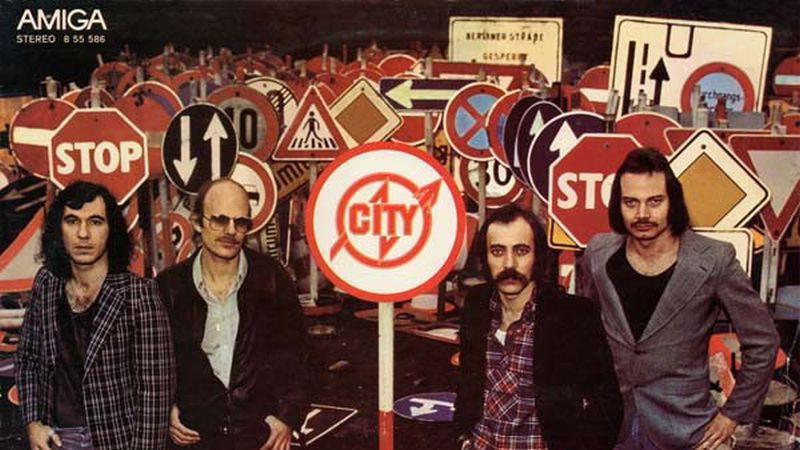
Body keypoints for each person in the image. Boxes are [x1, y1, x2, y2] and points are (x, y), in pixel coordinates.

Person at [578, 148, 779, 450]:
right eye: (631, 202)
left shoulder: (714, 260)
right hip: (610, 427)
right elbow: (586, 334)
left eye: (654, 201)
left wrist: (733, 414)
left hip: (685, 430)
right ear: (618, 204)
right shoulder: (598, 253)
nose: (642, 214)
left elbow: (763, 342)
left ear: (673, 201)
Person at [17, 181, 174, 450]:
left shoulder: (138, 294)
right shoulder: (47, 282)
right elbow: (28, 358)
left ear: (111, 230)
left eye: (95, 222)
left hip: (117, 442)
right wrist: (33, 422)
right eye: (72, 221)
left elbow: (155, 394)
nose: (83, 233)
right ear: (58, 229)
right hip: (56, 439)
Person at [157, 178, 310, 450]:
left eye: (240, 222)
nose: (231, 231)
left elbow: (299, 356)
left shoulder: (272, 278)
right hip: (194, 437)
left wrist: (287, 417)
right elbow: (151, 360)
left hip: (258, 435)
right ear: (197, 222)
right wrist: (165, 409)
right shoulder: (169, 287)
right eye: (219, 220)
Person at [454, 204, 623, 450]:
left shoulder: (572, 314)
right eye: (497, 251)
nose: (509, 263)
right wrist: (463, 437)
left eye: (521, 250)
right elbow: (468, 383)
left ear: (537, 256)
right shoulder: (476, 304)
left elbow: (607, 403)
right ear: (485, 258)